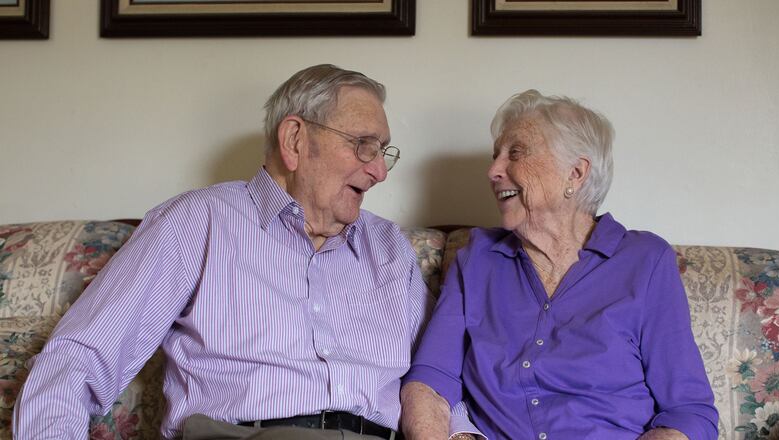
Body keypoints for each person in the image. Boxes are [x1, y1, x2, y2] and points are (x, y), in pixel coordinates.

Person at [13, 65, 479, 440]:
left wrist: (460, 434)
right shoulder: (199, 222)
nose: (379, 170)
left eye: (383, 151)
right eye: (363, 146)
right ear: (295, 140)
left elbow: (436, 377)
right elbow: (79, 359)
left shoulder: (389, 249)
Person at [401, 90, 719, 440]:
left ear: (576, 174)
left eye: (515, 153)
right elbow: (429, 383)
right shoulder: (478, 260)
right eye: (495, 157)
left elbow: (688, 412)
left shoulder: (645, 261)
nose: (493, 171)